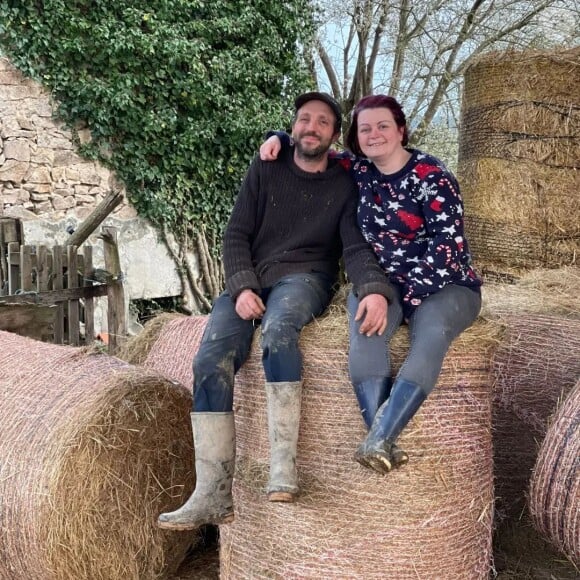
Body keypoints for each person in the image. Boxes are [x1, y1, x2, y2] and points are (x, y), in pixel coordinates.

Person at [157, 92, 395, 531]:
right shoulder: (266, 167)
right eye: (304, 119)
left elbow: (356, 246)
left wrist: (375, 289)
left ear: (334, 135)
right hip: (255, 275)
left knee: (279, 330)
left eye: (323, 122)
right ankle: (213, 492)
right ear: (292, 127)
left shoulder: (344, 182)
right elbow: (235, 235)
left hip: (306, 278)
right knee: (210, 361)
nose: (312, 127)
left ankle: (282, 467)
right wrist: (243, 286)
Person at [260, 94, 482, 475]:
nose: (374, 134)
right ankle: (379, 438)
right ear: (356, 137)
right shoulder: (357, 170)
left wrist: (406, 298)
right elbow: (312, 146)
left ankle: (380, 436)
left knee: (429, 332)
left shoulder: (433, 176)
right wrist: (277, 136)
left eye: (382, 126)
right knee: (365, 331)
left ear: (401, 130)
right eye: (365, 129)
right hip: (384, 283)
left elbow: (448, 250)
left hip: (447, 284)